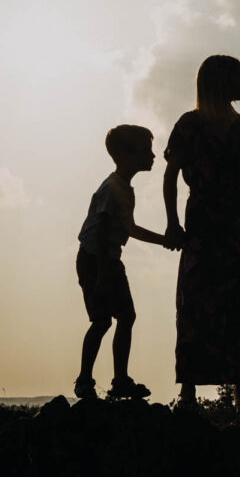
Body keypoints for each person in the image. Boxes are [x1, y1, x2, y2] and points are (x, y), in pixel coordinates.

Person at [163, 54, 240, 414]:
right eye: (239, 76)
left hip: (239, 226)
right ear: (220, 81)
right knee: (194, 302)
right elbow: (171, 175)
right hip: (203, 225)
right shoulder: (189, 124)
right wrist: (172, 223)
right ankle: (188, 394)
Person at [74, 125, 172, 400]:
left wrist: (165, 240)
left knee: (126, 317)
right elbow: (102, 233)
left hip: (109, 260)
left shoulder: (125, 189)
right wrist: (103, 277)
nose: (153, 155)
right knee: (102, 321)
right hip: (95, 261)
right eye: (146, 150)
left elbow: (130, 229)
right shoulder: (112, 188)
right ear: (126, 155)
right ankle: (84, 380)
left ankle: (120, 381)